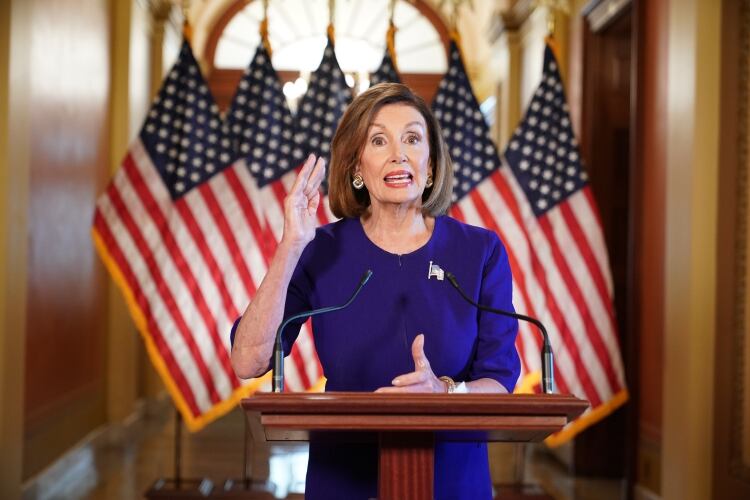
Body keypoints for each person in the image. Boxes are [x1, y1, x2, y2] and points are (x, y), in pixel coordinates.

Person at [230, 83, 520, 499]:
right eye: (379, 140)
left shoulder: (480, 251)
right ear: (357, 168)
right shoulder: (321, 250)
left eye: (413, 139)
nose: (399, 153)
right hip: (344, 479)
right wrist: (291, 245)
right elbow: (248, 359)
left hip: (453, 482)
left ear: (431, 165)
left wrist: (447, 391)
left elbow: (500, 379)